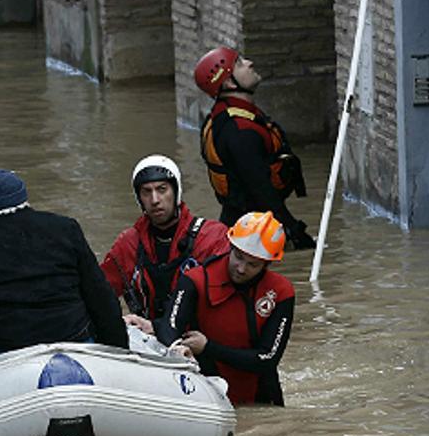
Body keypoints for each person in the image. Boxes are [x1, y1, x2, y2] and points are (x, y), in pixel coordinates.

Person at [0, 167, 128, 353]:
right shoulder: (64, 228)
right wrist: (119, 349)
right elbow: (99, 295)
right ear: (23, 196)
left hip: (7, 347)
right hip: (73, 337)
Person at [146, 211, 296, 406]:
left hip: (261, 397)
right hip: (206, 393)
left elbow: (267, 358)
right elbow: (170, 326)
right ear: (230, 246)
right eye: (238, 257)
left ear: (267, 264)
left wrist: (208, 348)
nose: (241, 268)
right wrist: (175, 346)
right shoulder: (195, 280)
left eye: (253, 264)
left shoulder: (281, 292)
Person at [194, 46, 316, 249]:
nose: (249, 63)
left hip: (245, 224)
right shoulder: (239, 132)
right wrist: (295, 232)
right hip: (251, 233)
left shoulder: (226, 115)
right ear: (228, 83)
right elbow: (262, 192)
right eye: (240, 64)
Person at [100, 155, 230, 323]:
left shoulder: (212, 237)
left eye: (162, 189)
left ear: (176, 192)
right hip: (146, 337)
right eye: (146, 192)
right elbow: (100, 293)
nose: (155, 200)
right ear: (139, 198)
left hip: (197, 339)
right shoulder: (128, 244)